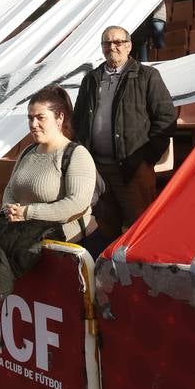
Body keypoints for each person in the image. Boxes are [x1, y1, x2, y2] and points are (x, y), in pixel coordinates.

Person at [71, 26, 176, 244]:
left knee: (141, 231)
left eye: (118, 42)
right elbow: (78, 121)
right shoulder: (90, 80)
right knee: (106, 229)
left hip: (132, 169)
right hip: (97, 171)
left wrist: (146, 159)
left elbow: (165, 118)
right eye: (107, 43)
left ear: (129, 45)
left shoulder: (147, 76)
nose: (112, 47)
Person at [0, 86, 97, 244]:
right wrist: (9, 209)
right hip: (28, 240)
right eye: (30, 118)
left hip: (69, 244)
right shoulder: (27, 151)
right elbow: (10, 188)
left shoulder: (77, 155)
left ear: (59, 118)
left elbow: (76, 203)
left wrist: (27, 212)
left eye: (40, 117)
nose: (33, 124)